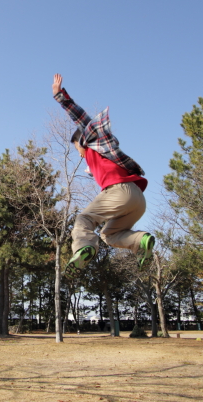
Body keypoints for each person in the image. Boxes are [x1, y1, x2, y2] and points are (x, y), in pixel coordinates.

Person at [52, 74, 155, 279]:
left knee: (84, 219)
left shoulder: (93, 143)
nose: (79, 154)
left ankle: (83, 248)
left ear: (83, 141)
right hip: (138, 200)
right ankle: (141, 241)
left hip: (120, 192)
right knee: (109, 235)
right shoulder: (102, 158)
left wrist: (59, 96)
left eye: (76, 148)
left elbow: (79, 117)